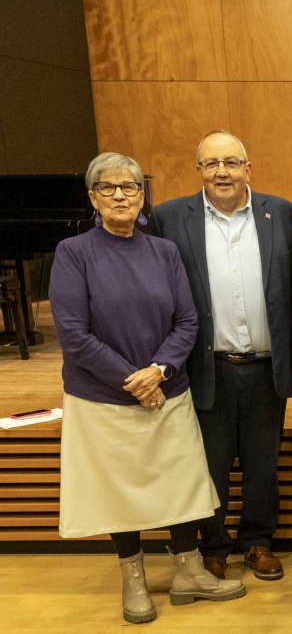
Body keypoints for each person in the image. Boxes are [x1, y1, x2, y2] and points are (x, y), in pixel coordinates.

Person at [50, 153, 245, 624]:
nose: (120, 195)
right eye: (108, 187)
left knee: (182, 485)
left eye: (130, 187)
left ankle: (188, 572)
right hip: (103, 398)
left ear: (142, 196)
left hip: (166, 390)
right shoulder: (73, 253)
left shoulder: (164, 252)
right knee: (119, 492)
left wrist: (158, 371)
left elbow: (187, 321)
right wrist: (133, 380)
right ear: (93, 197)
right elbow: (74, 335)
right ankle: (133, 579)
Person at [149, 131, 292, 581]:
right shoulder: (170, 217)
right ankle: (213, 546)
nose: (222, 172)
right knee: (209, 463)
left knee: (262, 463)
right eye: (212, 164)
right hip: (205, 366)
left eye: (231, 162)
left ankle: (257, 543)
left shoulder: (282, 213)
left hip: (266, 364)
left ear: (248, 169)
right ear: (199, 170)